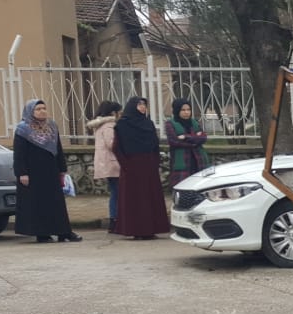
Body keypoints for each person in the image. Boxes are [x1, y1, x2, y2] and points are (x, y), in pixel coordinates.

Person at [11, 99, 82, 243]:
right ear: (30, 111)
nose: (42, 111)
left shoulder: (52, 126)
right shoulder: (23, 129)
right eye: (38, 109)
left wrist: (62, 169)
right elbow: (19, 154)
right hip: (33, 173)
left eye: (44, 108)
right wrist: (22, 173)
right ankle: (42, 233)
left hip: (51, 171)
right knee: (38, 204)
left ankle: (64, 232)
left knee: (57, 203)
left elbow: (58, 149)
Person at [113, 96, 170, 240]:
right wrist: (126, 165)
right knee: (135, 199)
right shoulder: (122, 125)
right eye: (139, 105)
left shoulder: (148, 123)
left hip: (149, 165)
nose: (143, 107)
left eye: (144, 104)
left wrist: (155, 162)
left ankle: (151, 229)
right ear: (132, 106)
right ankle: (136, 230)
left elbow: (154, 144)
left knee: (150, 197)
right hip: (131, 165)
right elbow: (117, 147)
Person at [86, 100, 122, 233]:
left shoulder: (101, 124)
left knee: (115, 192)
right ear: (114, 113)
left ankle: (115, 220)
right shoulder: (109, 126)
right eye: (120, 112)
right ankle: (115, 221)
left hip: (108, 163)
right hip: (113, 163)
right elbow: (112, 144)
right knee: (117, 193)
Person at [165, 97, 210, 188]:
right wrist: (195, 139)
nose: (186, 112)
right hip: (182, 161)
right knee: (182, 187)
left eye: (188, 109)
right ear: (177, 110)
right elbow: (174, 141)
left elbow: (203, 138)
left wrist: (186, 137)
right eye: (183, 110)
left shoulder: (194, 122)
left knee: (200, 186)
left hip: (198, 159)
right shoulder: (170, 123)